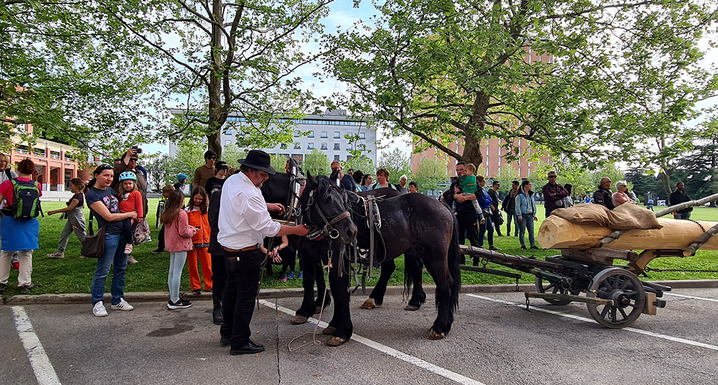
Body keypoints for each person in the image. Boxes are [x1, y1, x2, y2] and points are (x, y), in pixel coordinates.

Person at [218, 149, 310, 355]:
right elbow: (268, 228)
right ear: (250, 171)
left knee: (231, 292)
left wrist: (266, 205)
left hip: (230, 248)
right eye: (262, 173)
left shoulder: (233, 181)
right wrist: (296, 230)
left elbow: (242, 206)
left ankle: (228, 332)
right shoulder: (249, 194)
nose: (266, 177)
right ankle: (240, 341)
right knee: (245, 298)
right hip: (245, 251)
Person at [86, 164, 138, 316]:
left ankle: (117, 300)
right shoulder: (92, 195)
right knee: (103, 269)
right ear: (96, 175)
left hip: (122, 234)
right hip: (109, 234)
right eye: (106, 175)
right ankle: (97, 302)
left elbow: (121, 208)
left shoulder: (111, 191)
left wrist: (132, 217)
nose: (109, 178)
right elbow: (108, 216)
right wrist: (130, 215)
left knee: (121, 268)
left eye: (111, 176)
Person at [0, 159, 41, 293]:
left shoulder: (7, 184)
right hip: (29, 221)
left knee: (6, 252)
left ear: (18, 169)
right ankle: (24, 283)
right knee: (27, 252)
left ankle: (2, 281)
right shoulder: (37, 185)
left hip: (10, 220)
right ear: (32, 171)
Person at [161, 189, 197, 310]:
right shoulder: (181, 213)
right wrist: (193, 230)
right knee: (177, 272)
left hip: (171, 245)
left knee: (172, 271)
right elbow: (183, 232)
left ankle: (173, 297)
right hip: (181, 245)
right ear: (181, 201)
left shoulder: (168, 213)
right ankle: (175, 300)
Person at [47, 178, 87, 259]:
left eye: (71, 185)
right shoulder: (78, 195)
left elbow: (70, 208)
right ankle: (60, 252)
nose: (70, 187)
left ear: (77, 186)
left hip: (76, 219)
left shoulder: (77, 196)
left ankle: (90, 252)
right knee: (64, 234)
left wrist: (53, 212)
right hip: (72, 218)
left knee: (82, 236)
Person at [447, 162, 481, 255]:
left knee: (473, 237)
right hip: (458, 213)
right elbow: (449, 196)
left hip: (470, 213)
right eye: (457, 170)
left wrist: (467, 197)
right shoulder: (455, 183)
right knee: (459, 238)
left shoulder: (473, 180)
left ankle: (476, 260)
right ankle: (460, 260)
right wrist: (456, 196)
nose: (459, 172)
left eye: (461, 169)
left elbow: (480, 193)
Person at [186, 186, 212, 295]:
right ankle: (195, 286)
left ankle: (209, 285)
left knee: (208, 264)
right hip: (192, 241)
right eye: (196, 198)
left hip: (206, 240)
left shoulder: (206, 210)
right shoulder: (187, 210)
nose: (198, 201)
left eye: (200, 199)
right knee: (193, 265)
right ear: (192, 198)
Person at [113, 148, 148, 220]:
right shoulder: (122, 172)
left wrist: (142, 212)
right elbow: (117, 172)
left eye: (135, 160)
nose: (133, 162)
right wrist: (127, 156)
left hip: (141, 210)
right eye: (130, 159)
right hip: (126, 212)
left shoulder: (140, 172)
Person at [117, 171, 144, 263]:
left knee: (127, 228)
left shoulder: (136, 193)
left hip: (130, 215)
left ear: (134, 184)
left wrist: (140, 216)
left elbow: (139, 205)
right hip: (120, 214)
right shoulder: (121, 194)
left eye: (129, 183)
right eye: (125, 184)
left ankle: (129, 243)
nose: (127, 186)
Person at [476, 176, 499, 250]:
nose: (484, 182)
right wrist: (488, 201)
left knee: (490, 228)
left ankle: (491, 245)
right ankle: (480, 245)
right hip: (482, 211)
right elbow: (482, 201)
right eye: (483, 181)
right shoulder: (478, 191)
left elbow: (490, 199)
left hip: (487, 212)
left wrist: (488, 201)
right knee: (483, 229)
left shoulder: (484, 190)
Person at [515, 180, 539, 250]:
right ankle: (523, 245)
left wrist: (534, 214)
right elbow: (517, 206)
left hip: (530, 215)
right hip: (522, 215)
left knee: (531, 231)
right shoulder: (519, 196)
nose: (530, 186)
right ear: (525, 185)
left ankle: (532, 245)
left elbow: (533, 205)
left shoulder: (531, 195)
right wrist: (519, 215)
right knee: (522, 231)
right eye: (529, 185)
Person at [152, 185, 175, 253]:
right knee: (162, 234)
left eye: (164, 192)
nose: (163, 194)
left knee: (163, 234)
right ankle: (161, 247)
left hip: (171, 220)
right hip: (168, 220)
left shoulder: (173, 201)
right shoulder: (168, 200)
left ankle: (162, 248)